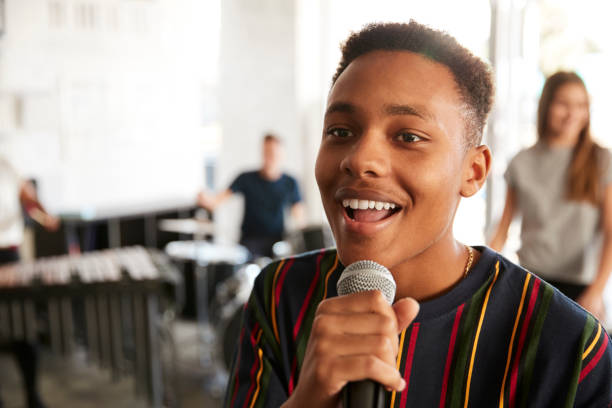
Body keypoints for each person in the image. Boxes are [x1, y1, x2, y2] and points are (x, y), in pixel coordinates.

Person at [223, 21, 612, 407]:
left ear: (473, 172)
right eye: (340, 131)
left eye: (408, 137)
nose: (360, 159)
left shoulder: (570, 347)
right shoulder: (280, 295)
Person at [489, 72, 612, 320]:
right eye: (563, 104)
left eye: (580, 105)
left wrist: (596, 291)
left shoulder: (601, 161)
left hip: (582, 290)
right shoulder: (521, 162)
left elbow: (611, 231)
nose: (572, 114)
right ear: (546, 106)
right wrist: (482, 278)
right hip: (531, 283)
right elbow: (502, 230)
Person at [0, 155, 58, 408]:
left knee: (23, 326)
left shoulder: (5, 162)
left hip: (9, 253)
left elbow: (27, 194)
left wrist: (43, 211)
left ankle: (32, 396)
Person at [197, 133, 305, 258]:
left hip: (278, 242)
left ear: (282, 154)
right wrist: (205, 199)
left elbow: (300, 218)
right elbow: (215, 202)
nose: (271, 157)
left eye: (274, 153)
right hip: (250, 243)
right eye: (267, 152)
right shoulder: (245, 178)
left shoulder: (291, 182)